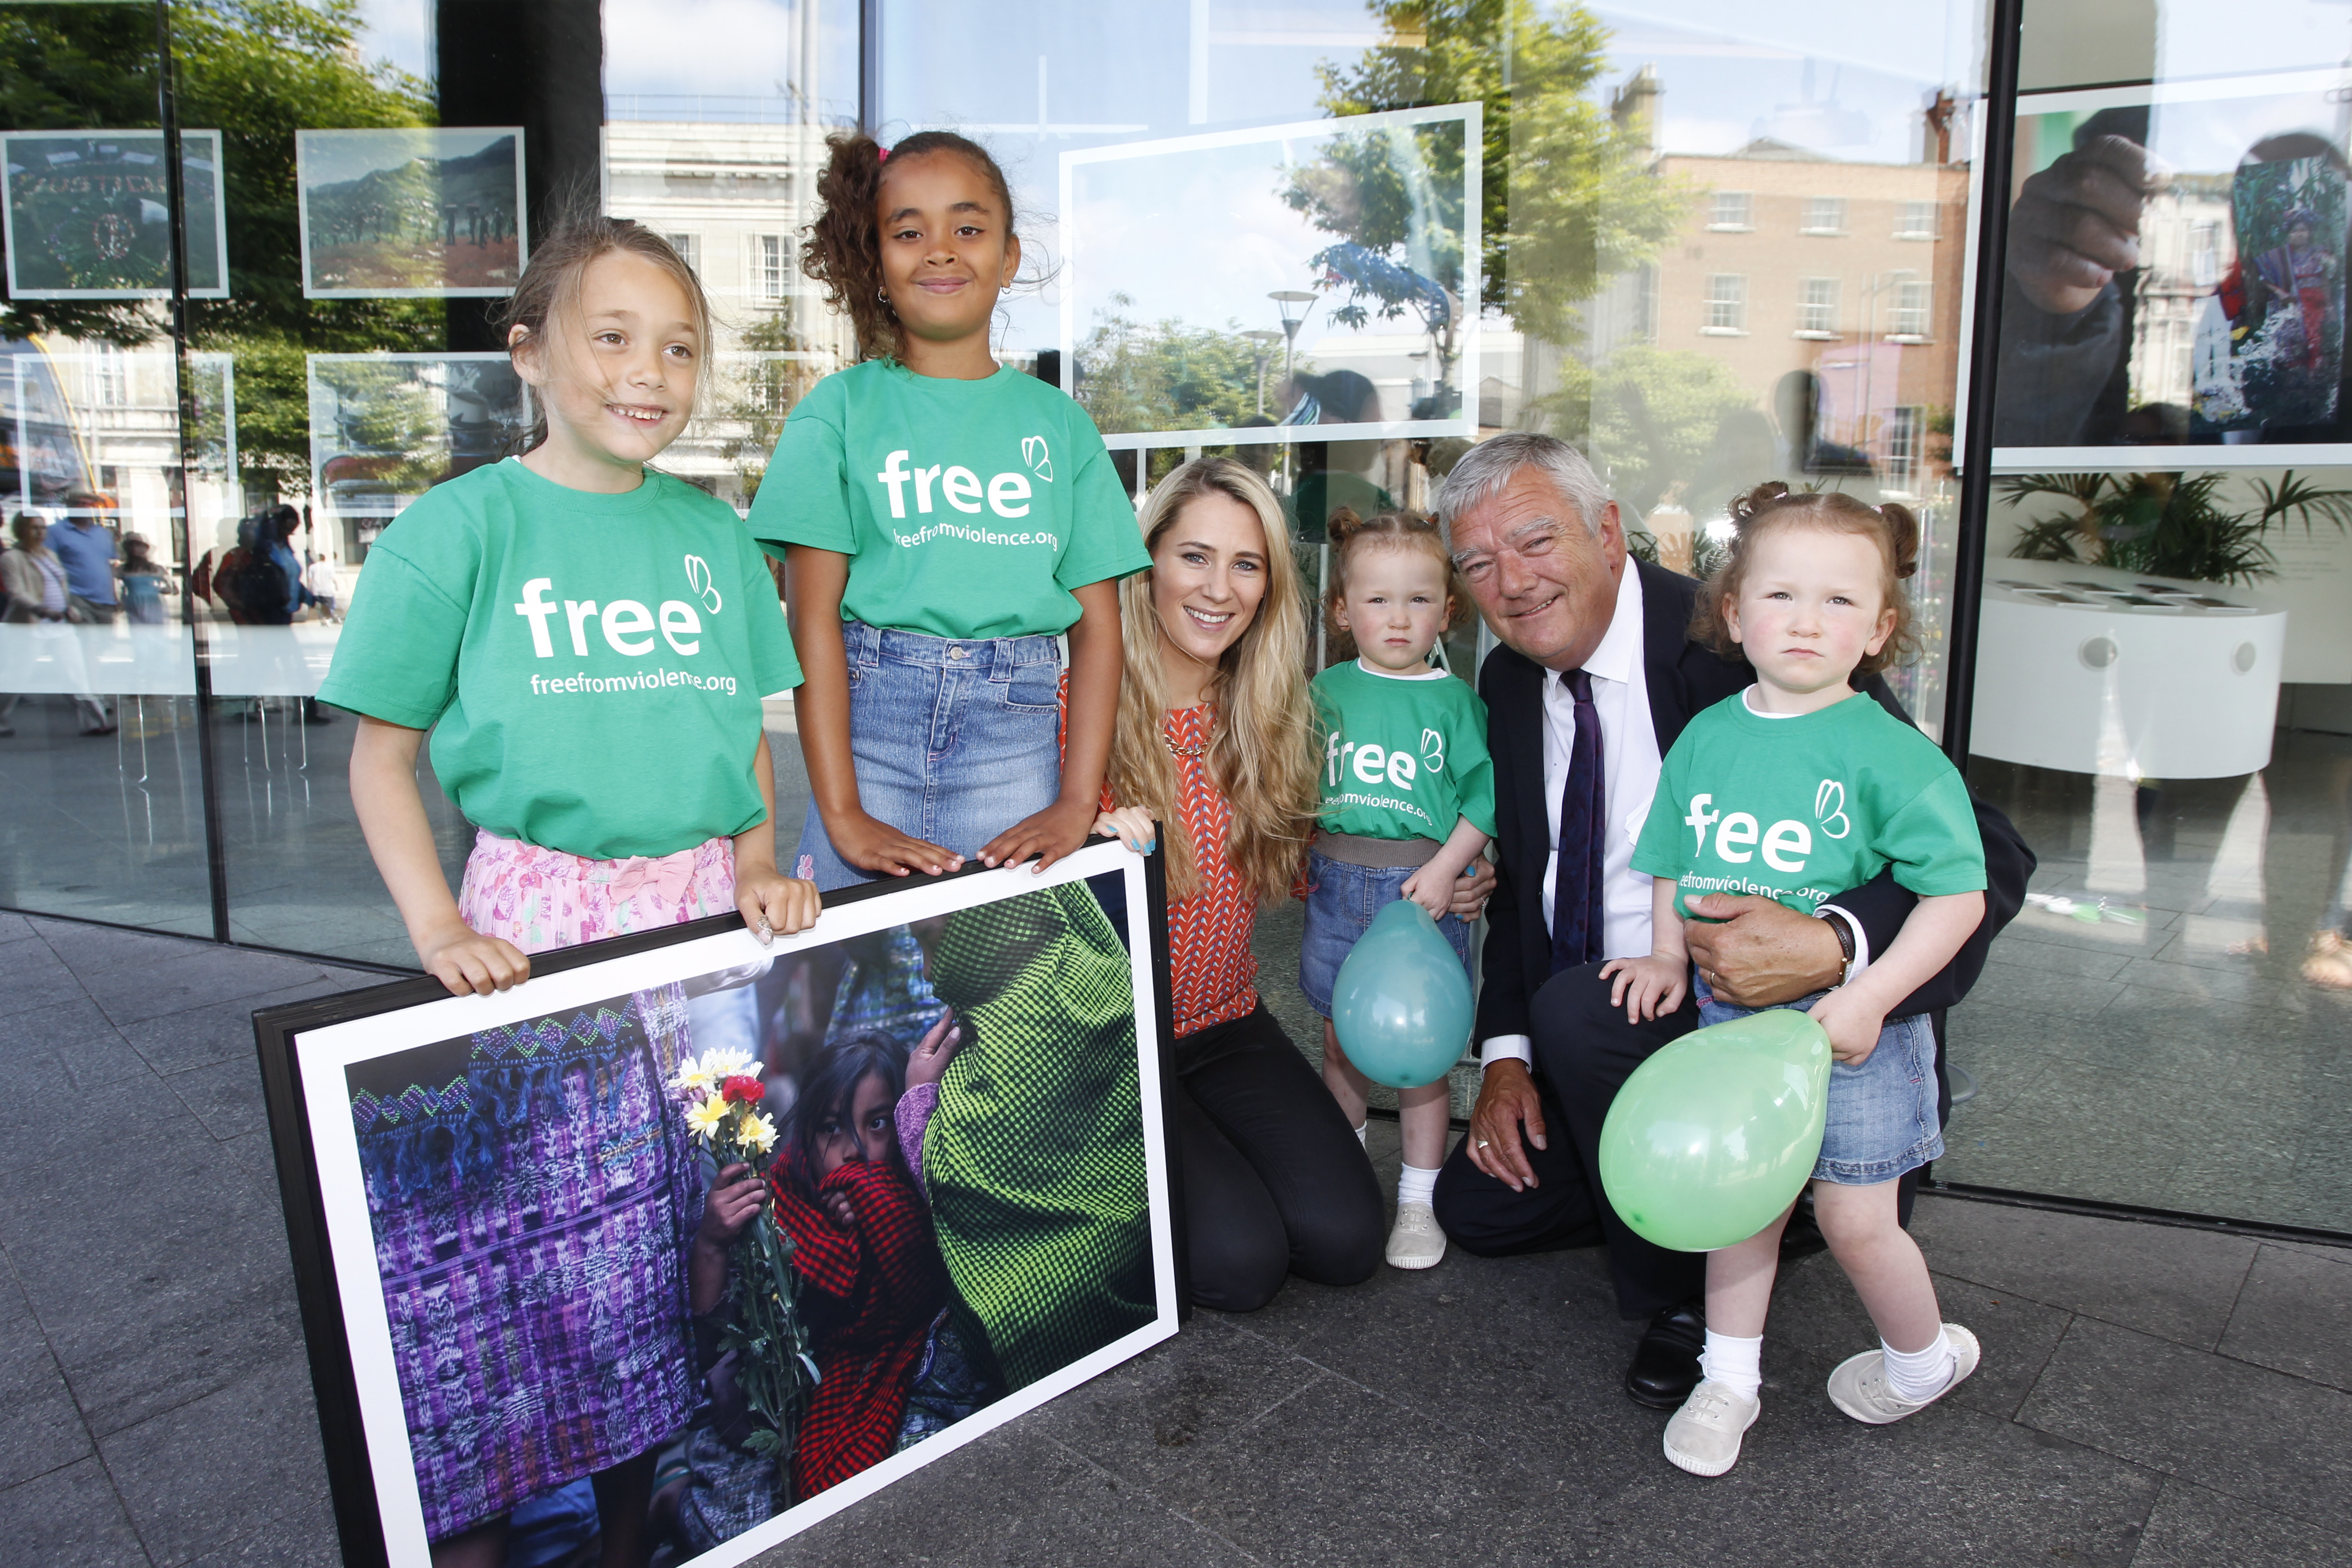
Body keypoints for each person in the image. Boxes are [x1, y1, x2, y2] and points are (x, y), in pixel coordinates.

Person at [318, 214, 821, 1567]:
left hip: (704, 927)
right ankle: (506, 1516)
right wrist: (439, 923)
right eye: (611, 338)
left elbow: (746, 737)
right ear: (529, 351)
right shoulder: (456, 530)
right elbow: (384, 758)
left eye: (678, 347)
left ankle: (639, 1520)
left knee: (688, 1228)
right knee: (551, 1249)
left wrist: (762, 860)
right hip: (541, 934)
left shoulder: (714, 540)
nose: (648, 372)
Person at [1425, 432, 2032, 1412]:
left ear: (1610, 532)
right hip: (1643, 1012)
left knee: (1582, 1011)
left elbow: (1990, 853)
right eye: (1478, 562)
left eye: (1537, 541)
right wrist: (1503, 1058)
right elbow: (1528, 885)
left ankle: (1699, 1290)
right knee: (1478, 1210)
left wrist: (1831, 943)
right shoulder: (1504, 680)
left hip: (1782, 1028)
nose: (1513, 582)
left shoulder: (1747, 639)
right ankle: (1720, 1193)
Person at [1604, 484, 1987, 1476]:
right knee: (1744, 1207)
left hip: (1857, 1038)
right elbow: (1674, 862)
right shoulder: (1707, 738)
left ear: (1881, 628)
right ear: (1733, 613)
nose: (1808, 621)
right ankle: (1728, 1381)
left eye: (1840, 601)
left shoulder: (1893, 755)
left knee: (1858, 1220)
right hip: (1732, 1025)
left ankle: (1921, 1359)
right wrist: (1663, 952)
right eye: (1781, 595)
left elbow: (1957, 897)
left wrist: (1865, 995)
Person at [1090, 457, 1486, 1311]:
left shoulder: (1277, 717)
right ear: (1145, 560)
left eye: (1246, 563)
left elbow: (1369, 823)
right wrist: (1086, 839)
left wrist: (1457, 874)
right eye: (1194, 556)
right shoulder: (1082, 704)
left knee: (1344, 1240)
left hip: (1226, 1021)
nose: (1218, 588)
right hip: (1118, 1043)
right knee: (1241, 1263)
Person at [748, 130, 1148, 890]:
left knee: (1005, 985)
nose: (940, 250)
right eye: (909, 231)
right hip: (866, 740)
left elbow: (1102, 631)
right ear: (876, 258)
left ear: (1009, 256)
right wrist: (842, 812)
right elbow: (812, 623)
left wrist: (1073, 799)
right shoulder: (834, 412)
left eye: (968, 228)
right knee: (853, 988)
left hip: (1016, 747)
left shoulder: (1061, 426)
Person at [1300, 506, 1493, 1270]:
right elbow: (1297, 783)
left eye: (1418, 599)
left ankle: (1418, 1199)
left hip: (1425, 896)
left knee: (1425, 1057)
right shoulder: (1324, 691)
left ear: (1446, 611)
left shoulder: (1455, 701)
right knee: (1341, 1043)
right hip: (1336, 887)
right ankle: (1349, 1181)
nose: (1398, 616)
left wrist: (1451, 871)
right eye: (1377, 599)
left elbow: (1485, 799)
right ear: (1344, 611)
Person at [1, 513, 113, 737]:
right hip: (31, 626)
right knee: (16, 678)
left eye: (43, 528)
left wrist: (69, 609)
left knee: (76, 675)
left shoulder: (49, 555)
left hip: (60, 625)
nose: (40, 533)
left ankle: (96, 721)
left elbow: (61, 587)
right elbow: (16, 592)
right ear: (21, 530)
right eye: (34, 528)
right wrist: (41, 609)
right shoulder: (11, 558)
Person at [46, 502, 120, 623]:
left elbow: (109, 565)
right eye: (80, 503)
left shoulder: (103, 533)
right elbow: (48, 563)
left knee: (107, 640)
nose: (85, 507)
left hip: (105, 600)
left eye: (89, 505)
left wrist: (115, 595)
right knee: (88, 639)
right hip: (78, 597)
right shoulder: (55, 531)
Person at [117, 536, 168, 625]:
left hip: (135, 601)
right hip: (150, 601)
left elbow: (117, 586)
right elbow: (169, 589)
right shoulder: (156, 569)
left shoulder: (123, 570)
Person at [303, 552, 342, 621]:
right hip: (327, 590)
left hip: (316, 590)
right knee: (330, 605)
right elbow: (333, 579)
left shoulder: (312, 567)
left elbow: (310, 580)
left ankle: (322, 618)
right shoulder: (329, 567)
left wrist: (309, 588)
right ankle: (330, 617)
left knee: (319, 606)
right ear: (324, 559)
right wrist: (337, 586)